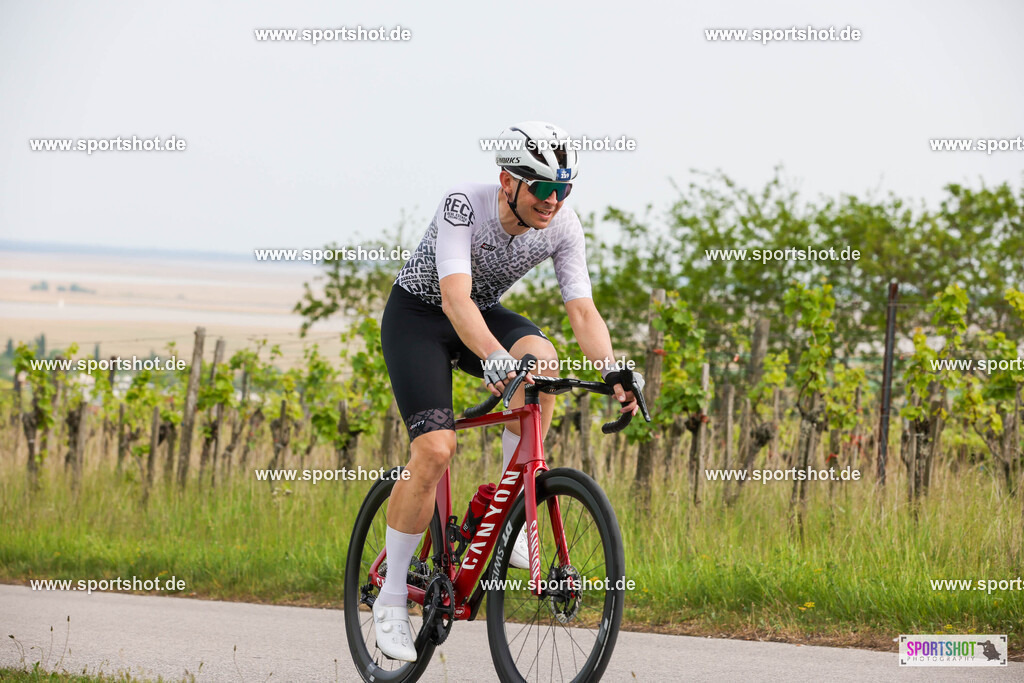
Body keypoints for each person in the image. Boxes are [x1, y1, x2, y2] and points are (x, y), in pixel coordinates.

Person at [375, 121, 644, 662]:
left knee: (543, 364)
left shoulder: (563, 226)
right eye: (542, 188)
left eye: (563, 188)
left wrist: (614, 368)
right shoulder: (463, 206)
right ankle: (390, 596)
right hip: (421, 318)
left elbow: (581, 310)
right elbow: (454, 299)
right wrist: (495, 358)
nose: (553, 201)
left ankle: (508, 506)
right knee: (435, 449)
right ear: (507, 181)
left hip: (480, 312)